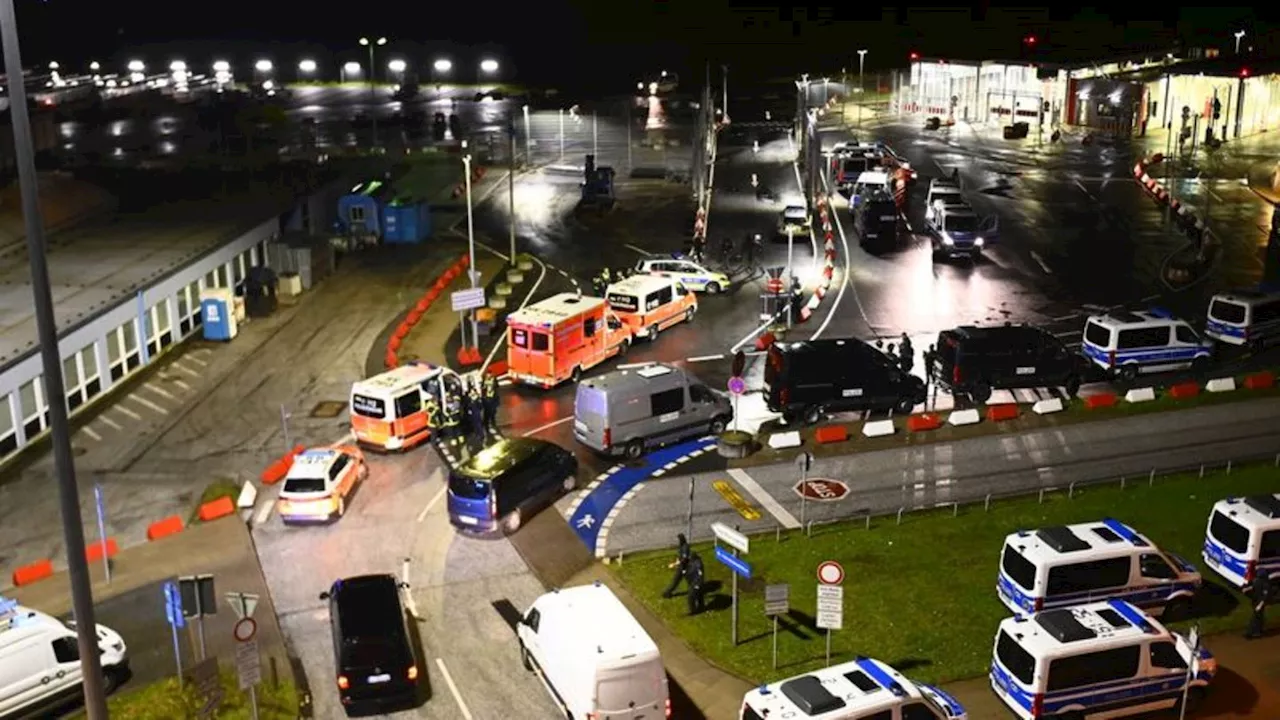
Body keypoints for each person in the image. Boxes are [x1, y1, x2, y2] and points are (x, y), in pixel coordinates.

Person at [661, 534, 691, 598]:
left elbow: (684, 559)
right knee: (677, 581)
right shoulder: (681, 546)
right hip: (681, 567)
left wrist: (674, 564)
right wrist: (676, 562)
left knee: (677, 580)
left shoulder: (685, 547)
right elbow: (679, 556)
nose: (678, 541)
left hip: (684, 567)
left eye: (679, 540)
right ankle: (667, 593)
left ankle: (667, 593)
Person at [1245, 573, 1273, 639]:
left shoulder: (1261, 583)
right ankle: (1255, 632)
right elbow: (1254, 587)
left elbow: (1264, 596)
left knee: (1256, 617)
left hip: (1258, 603)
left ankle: (1253, 632)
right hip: (1257, 602)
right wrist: (1247, 589)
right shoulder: (1261, 582)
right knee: (1257, 617)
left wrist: (1260, 605)